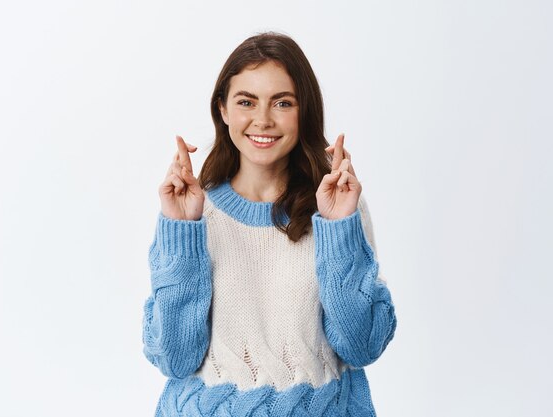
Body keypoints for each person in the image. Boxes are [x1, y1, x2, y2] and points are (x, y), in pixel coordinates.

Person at [142, 32, 397, 416]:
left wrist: (339, 228)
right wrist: (181, 233)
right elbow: (175, 360)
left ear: (303, 111)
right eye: (246, 101)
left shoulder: (338, 206)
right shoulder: (193, 213)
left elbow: (361, 346)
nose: (263, 120)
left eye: (282, 102)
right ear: (224, 110)